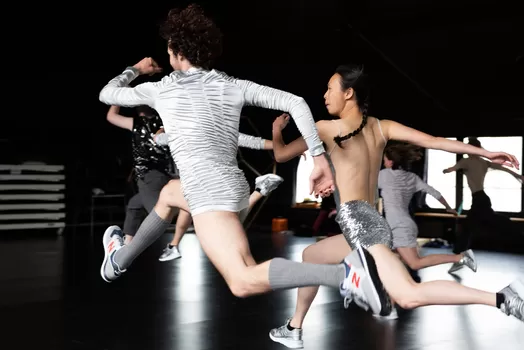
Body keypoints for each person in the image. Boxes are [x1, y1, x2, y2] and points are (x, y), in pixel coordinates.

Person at [98, 4, 390, 317]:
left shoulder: (161, 89)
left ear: (176, 51)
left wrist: (136, 70)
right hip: (234, 188)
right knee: (170, 193)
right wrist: (318, 157)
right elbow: (296, 102)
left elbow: (107, 94)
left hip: (207, 192)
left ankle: (347, 276)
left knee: (241, 281)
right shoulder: (233, 85)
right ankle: (119, 260)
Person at [268, 64, 524, 348]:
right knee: (312, 255)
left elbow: (280, 154)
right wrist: (485, 152)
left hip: (361, 226)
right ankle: (294, 326)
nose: (325, 95)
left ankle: (502, 299)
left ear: (349, 93)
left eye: (330, 89)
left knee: (408, 295)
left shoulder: (325, 128)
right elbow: (434, 141)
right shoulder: (382, 127)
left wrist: (277, 130)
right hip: (371, 223)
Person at [107, 105, 285, 262]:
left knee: (220, 227)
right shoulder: (218, 130)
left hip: (194, 183)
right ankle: (146, 247)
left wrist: (162, 134)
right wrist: (282, 147)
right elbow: (254, 142)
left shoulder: (186, 130)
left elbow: (159, 139)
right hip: (222, 183)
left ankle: (130, 256)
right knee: (137, 204)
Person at [380, 142, 476, 273]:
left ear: (391, 162)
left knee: (414, 263)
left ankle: (460, 257)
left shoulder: (384, 175)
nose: (384, 163)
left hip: (398, 226)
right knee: (388, 255)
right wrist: (448, 207)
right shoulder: (412, 178)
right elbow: (434, 193)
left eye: (384, 160)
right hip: (405, 224)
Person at [443, 137, 524, 259]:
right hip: (481, 198)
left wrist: (446, 170)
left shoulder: (466, 161)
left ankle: (458, 253)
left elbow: (452, 168)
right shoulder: (483, 162)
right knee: (472, 224)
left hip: (479, 199)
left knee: (473, 225)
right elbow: (503, 168)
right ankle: (459, 253)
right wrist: (518, 175)